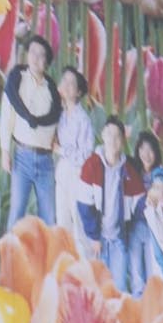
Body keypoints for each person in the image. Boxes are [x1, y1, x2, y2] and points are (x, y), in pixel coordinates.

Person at [0, 32, 62, 226]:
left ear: (47, 62)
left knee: (49, 215)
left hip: (46, 160)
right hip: (22, 156)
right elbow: (7, 117)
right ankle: (10, 247)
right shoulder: (16, 81)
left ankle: (48, 248)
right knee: (17, 211)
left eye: (41, 55)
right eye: (33, 52)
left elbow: (56, 119)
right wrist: (5, 151)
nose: (35, 57)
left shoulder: (52, 90)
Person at [74, 116, 140, 283]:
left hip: (119, 239)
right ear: (103, 135)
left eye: (117, 136)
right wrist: (94, 236)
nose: (113, 139)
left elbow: (139, 201)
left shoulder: (128, 170)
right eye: (109, 134)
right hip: (99, 239)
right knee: (99, 286)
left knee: (119, 287)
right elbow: (84, 205)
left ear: (123, 140)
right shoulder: (91, 165)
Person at [52, 64, 95, 236]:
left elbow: (86, 155)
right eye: (64, 81)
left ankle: (82, 253)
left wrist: (61, 150)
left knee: (77, 221)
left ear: (78, 92)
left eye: (71, 83)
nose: (66, 85)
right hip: (62, 171)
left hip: (77, 173)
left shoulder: (83, 119)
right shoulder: (61, 115)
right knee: (62, 220)